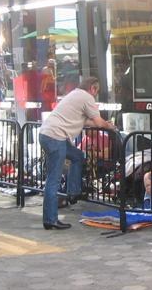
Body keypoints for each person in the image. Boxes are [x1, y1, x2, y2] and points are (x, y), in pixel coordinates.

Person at [38, 76, 116, 230]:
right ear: (92, 88)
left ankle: (73, 192)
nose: (96, 94)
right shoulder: (87, 97)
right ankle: (50, 219)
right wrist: (110, 126)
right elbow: (99, 122)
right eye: (97, 90)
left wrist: (102, 124)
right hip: (56, 137)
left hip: (48, 134)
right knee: (53, 179)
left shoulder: (74, 94)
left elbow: (84, 121)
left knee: (78, 156)